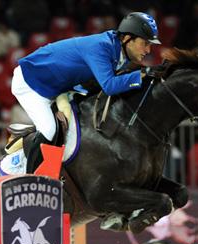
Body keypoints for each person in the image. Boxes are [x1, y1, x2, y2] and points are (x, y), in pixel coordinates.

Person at [11, 12, 162, 173]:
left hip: (57, 87)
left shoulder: (120, 54)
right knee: (49, 129)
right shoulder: (101, 47)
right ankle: (28, 179)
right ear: (126, 38)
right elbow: (109, 86)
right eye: (145, 43)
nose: (148, 50)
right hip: (31, 83)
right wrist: (140, 75)